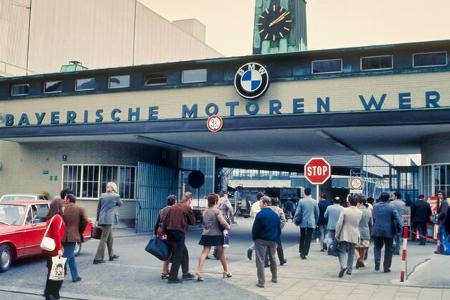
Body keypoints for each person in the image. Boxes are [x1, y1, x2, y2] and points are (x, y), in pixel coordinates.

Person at [195, 193, 231, 281]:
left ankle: (199, 271)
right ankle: (225, 271)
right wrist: (228, 227)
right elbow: (222, 222)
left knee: (204, 253)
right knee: (221, 254)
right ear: (215, 201)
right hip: (217, 234)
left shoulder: (205, 211)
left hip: (206, 234)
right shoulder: (217, 211)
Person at [163, 192, 196, 283]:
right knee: (178, 254)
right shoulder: (187, 208)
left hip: (170, 231)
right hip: (179, 231)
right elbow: (193, 222)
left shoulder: (174, 206)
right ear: (189, 200)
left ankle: (185, 273)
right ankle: (173, 278)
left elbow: (167, 220)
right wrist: (191, 211)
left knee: (184, 251)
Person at [252, 196, 281, 288]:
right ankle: (274, 277)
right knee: (273, 258)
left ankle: (261, 282)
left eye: (260, 203)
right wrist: (276, 238)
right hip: (273, 240)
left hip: (261, 240)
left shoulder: (260, 214)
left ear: (265, 204)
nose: (259, 204)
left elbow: (255, 229)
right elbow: (278, 228)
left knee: (260, 260)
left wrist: (255, 237)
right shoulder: (275, 215)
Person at [61, 191, 88, 283]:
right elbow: (85, 220)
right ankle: (55, 277)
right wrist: (79, 230)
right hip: (73, 235)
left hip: (63, 236)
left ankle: (75, 276)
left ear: (68, 199)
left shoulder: (62, 208)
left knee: (70, 256)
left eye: (65, 199)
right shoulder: (80, 209)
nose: (64, 200)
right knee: (65, 258)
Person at [93, 182, 123, 264]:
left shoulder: (102, 196)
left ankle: (111, 254)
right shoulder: (116, 196)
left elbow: (98, 208)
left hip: (102, 218)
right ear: (114, 188)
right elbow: (121, 204)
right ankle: (98, 258)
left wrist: (97, 219)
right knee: (104, 238)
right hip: (109, 220)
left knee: (110, 238)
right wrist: (116, 196)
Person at [372, 192, 402, 273]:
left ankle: (377, 261)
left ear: (380, 198)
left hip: (377, 229)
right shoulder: (392, 207)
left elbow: (374, 217)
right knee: (389, 249)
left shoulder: (375, 206)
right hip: (389, 231)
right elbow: (397, 219)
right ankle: (386, 267)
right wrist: (399, 229)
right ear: (388, 198)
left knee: (377, 247)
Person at [43, 199, 66, 300]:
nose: (64, 208)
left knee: (51, 272)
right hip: (54, 250)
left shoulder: (50, 217)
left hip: (48, 249)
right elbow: (56, 234)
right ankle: (52, 294)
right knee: (59, 273)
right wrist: (59, 249)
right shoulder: (57, 218)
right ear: (59, 207)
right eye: (63, 206)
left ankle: (48, 293)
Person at [335, 194, 362, 277]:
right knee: (351, 253)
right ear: (356, 203)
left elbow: (339, 223)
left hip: (344, 233)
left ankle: (343, 266)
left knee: (342, 251)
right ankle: (349, 270)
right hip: (355, 233)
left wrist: (337, 233)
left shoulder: (345, 210)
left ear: (349, 202)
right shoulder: (360, 212)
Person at [154, 194, 177, 279]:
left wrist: (155, 233)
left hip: (161, 232)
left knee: (167, 250)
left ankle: (166, 270)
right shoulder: (173, 210)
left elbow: (157, 223)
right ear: (174, 202)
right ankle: (164, 272)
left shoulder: (162, 210)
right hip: (168, 233)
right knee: (168, 252)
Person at [293, 188, 319, 259]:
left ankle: (301, 251)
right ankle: (305, 253)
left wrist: (295, 219)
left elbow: (298, 212)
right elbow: (317, 213)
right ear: (311, 192)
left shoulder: (301, 201)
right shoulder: (314, 201)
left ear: (304, 193)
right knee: (308, 238)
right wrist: (316, 222)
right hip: (311, 222)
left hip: (303, 222)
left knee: (302, 236)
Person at [265, 197, 287, 266]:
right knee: (278, 246)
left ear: (270, 202)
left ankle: (266, 262)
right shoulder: (279, 210)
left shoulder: (267, 209)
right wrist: (279, 228)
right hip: (275, 230)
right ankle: (282, 260)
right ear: (277, 203)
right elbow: (283, 220)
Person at [355, 195, 372, 269]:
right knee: (363, 247)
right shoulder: (369, 210)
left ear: (360, 202)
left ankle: (358, 258)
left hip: (357, 230)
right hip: (366, 230)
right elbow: (371, 223)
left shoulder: (357, 210)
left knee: (354, 246)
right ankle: (361, 261)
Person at [247, 192, 265, 260]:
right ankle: (260, 256)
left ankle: (251, 249)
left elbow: (251, 214)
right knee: (263, 240)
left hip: (255, 224)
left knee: (258, 239)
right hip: (262, 224)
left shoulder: (254, 204)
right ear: (261, 198)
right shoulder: (263, 204)